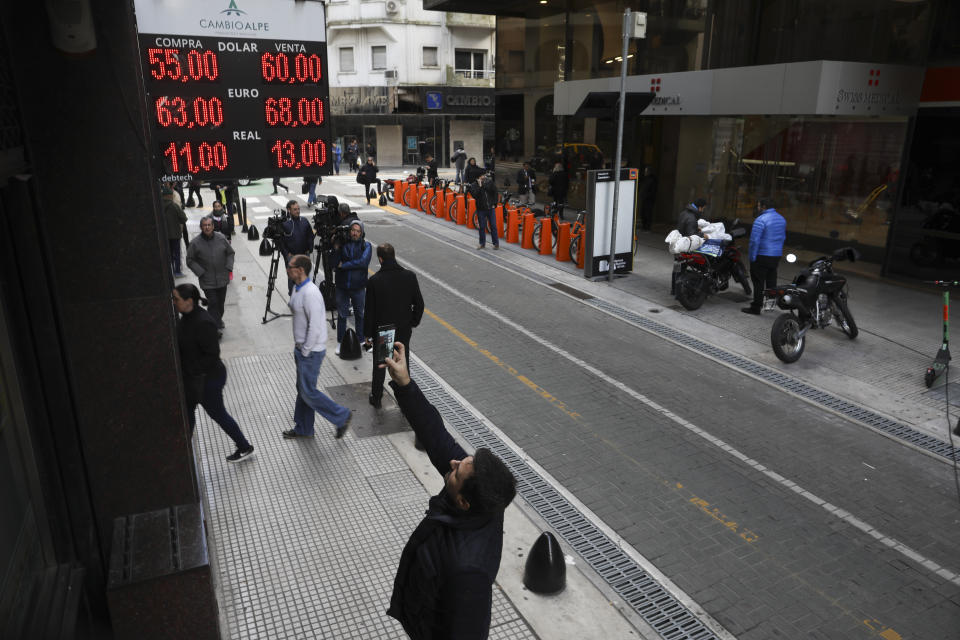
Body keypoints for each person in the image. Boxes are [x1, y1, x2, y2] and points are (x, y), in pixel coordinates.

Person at [383, 343, 517, 639]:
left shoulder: (467, 572)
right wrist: (404, 383)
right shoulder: (484, 498)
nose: (454, 462)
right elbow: (436, 436)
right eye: (463, 461)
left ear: (462, 502)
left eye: (457, 470)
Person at [172, 284, 254, 462]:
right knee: (187, 413)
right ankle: (182, 452)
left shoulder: (203, 322)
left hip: (208, 380)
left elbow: (212, 355)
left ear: (189, 301)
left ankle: (244, 446)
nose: (174, 302)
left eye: (176, 299)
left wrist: (190, 369)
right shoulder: (184, 318)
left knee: (218, 414)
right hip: (194, 379)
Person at [283, 254, 352, 440]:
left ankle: (341, 416)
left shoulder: (311, 293)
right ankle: (304, 428)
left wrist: (305, 350)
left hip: (311, 351)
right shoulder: (297, 288)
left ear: (300, 270)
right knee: (304, 390)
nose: (287, 269)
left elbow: (315, 326)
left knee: (308, 392)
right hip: (302, 349)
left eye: (291, 266)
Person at [363, 243, 424, 409]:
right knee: (403, 362)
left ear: (380, 259)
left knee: (381, 364)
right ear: (394, 256)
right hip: (404, 329)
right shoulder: (409, 276)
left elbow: (370, 311)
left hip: (384, 331)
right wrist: (413, 322)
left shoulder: (374, 281)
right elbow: (419, 304)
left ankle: (376, 397)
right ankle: (407, 401)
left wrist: (367, 334)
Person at [186, 217, 235, 331]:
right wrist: (200, 272)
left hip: (222, 278)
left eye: (209, 225)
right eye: (204, 225)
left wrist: (228, 267)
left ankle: (217, 320)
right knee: (213, 303)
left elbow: (230, 253)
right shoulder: (195, 243)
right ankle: (214, 328)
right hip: (207, 281)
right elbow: (190, 260)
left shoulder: (221, 238)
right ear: (201, 227)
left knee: (220, 304)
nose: (207, 227)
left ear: (213, 226)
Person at [743, 197, 787, 315]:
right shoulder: (782, 219)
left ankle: (756, 307)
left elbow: (754, 241)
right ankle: (770, 306)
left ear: (763, 207)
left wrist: (752, 257)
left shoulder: (760, 220)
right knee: (771, 281)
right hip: (776, 255)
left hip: (762, 255)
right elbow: (783, 237)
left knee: (758, 282)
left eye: (758, 206)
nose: (757, 208)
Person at [334, 220, 372, 354]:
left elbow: (363, 263)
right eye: (353, 230)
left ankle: (361, 339)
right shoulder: (343, 244)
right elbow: (334, 262)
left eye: (357, 231)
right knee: (342, 315)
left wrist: (344, 265)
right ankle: (340, 342)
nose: (354, 233)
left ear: (362, 233)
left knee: (360, 314)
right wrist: (336, 247)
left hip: (358, 287)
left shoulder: (366, 246)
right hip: (342, 286)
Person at [280, 200, 315, 295]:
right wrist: (287, 255)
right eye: (295, 209)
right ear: (289, 210)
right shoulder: (285, 224)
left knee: (306, 279)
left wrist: (309, 248)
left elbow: (311, 236)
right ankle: (293, 298)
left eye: (298, 209)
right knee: (292, 280)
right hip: (292, 258)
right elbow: (281, 242)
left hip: (304, 256)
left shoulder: (304, 221)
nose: (298, 211)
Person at [470, 173, 499, 250]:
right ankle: (482, 243)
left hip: (490, 208)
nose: (484, 177)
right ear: (478, 177)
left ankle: (496, 243)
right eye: (482, 175)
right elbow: (475, 195)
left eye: (484, 175)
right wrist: (480, 186)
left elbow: (495, 192)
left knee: (493, 226)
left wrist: (495, 204)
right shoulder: (473, 185)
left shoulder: (489, 182)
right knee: (482, 227)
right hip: (481, 209)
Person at [162, 186, 187, 277]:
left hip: (164, 235)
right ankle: (177, 272)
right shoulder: (174, 206)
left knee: (168, 253)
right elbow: (184, 218)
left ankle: (168, 272)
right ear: (169, 196)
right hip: (175, 234)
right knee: (176, 253)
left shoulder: (158, 206)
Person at [637, 166, 658, 231]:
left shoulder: (652, 179)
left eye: (646, 171)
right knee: (643, 213)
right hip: (644, 198)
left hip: (649, 199)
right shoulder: (645, 179)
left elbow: (652, 191)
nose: (645, 172)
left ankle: (647, 228)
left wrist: (646, 196)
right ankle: (644, 227)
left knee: (647, 213)